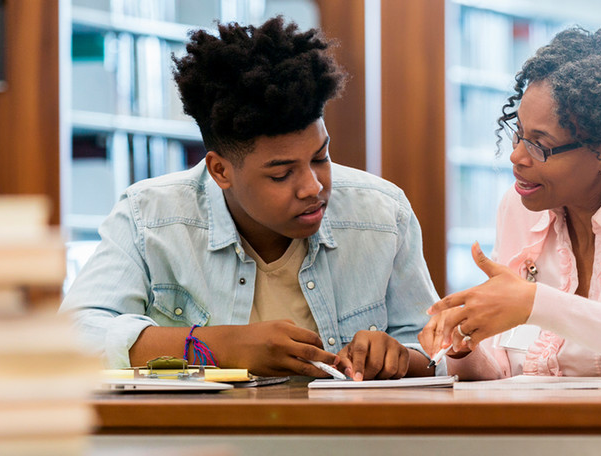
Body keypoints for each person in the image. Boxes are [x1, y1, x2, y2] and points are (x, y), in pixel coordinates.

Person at [61, 17, 439, 381]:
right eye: (281, 173)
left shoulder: (383, 214)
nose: (313, 186)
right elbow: (73, 339)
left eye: (320, 157)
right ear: (220, 170)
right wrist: (218, 346)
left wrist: (401, 358)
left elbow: (441, 354)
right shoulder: (150, 217)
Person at [419, 27, 601, 383]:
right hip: (542, 435)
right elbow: (502, 372)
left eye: (539, 145)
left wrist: (536, 304)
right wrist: (463, 346)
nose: (516, 156)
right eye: (518, 133)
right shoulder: (518, 209)